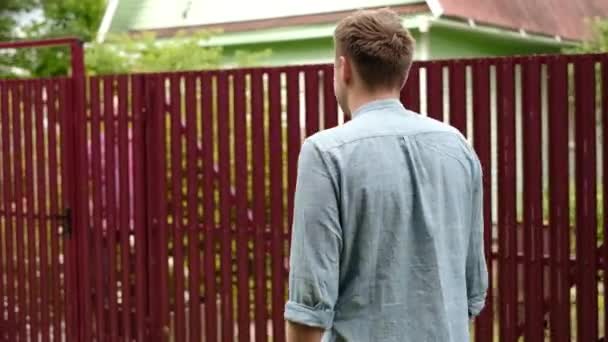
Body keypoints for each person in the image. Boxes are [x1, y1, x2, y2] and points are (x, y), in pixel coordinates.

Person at [284, 8, 488, 342]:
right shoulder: (458, 147)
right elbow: (472, 292)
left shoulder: (325, 153)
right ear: (403, 72)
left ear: (343, 68)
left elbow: (309, 313)